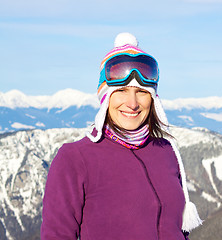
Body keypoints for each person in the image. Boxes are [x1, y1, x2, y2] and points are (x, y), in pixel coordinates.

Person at [41, 32, 202, 239]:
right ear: (106, 98)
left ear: (153, 99)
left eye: (142, 92)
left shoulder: (166, 151)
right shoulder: (75, 158)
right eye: (122, 91)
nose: (132, 103)